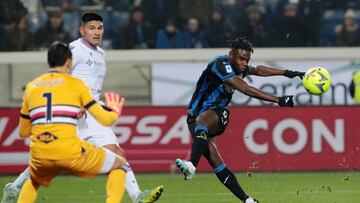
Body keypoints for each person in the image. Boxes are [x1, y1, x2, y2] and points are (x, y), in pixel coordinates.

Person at [2, 12, 163, 203]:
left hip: (93, 112)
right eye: (92, 28)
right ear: (82, 30)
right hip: (71, 114)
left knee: (116, 152)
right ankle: (14, 188)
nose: (97, 32)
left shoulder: (101, 54)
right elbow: (60, 77)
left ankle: (137, 196)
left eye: (100, 28)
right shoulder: (74, 50)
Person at [175, 37, 304, 203]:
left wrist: (288, 73)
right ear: (231, 55)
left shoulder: (238, 67)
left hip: (217, 115)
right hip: (194, 120)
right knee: (215, 161)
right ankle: (247, 200)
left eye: (247, 60)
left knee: (203, 120)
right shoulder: (221, 64)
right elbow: (245, 88)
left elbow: (258, 70)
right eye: (241, 59)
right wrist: (278, 99)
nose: (244, 63)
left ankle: (191, 165)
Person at [15, 41, 127, 203]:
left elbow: (23, 132)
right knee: (119, 163)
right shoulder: (76, 85)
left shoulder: (31, 88)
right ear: (69, 62)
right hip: (69, 152)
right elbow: (105, 119)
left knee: (34, 180)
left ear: (49, 62)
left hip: (40, 153)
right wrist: (115, 111)